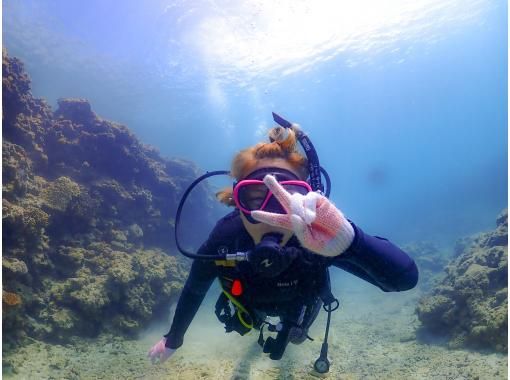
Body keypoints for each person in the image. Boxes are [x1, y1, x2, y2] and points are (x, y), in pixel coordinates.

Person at [148, 118, 418, 368]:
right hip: (249, 309)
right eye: (254, 197)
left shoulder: (319, 237)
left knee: (296, 332)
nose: (272, 217)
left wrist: (351, 241)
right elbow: (195, 289)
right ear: (236, 201)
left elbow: (403, 279)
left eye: (288, 197)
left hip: (299, 307)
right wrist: (173, 340)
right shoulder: (225, 237)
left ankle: (291, 329)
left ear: (308, 199)